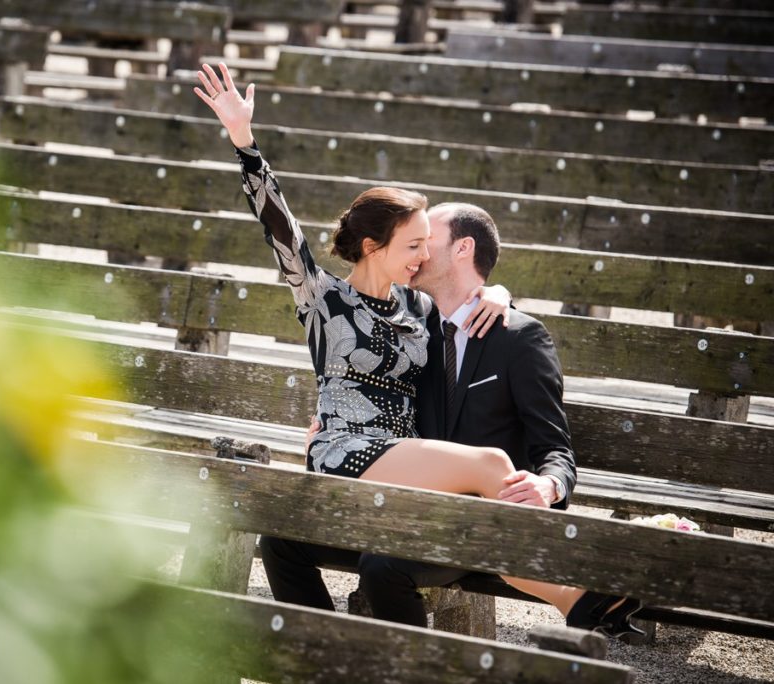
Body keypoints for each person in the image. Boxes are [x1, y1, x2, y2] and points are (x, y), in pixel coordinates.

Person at [194, 62, 641, 636]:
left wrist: (498, 294)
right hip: (347, 452)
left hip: (402, 464)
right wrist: (243, 141)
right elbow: (276, 222)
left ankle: (571, 600)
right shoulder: (321, 298)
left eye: (428, 246)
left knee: (480, 489)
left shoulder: (419, 310)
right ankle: (574, 591)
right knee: (494, 467)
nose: (421, 258)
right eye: (413, 246)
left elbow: (466, 301)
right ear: (373, 245)